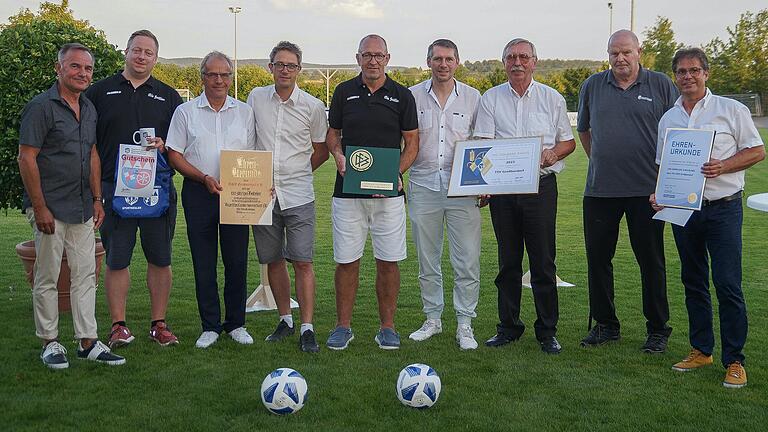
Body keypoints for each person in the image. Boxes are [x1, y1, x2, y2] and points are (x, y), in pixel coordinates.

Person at [651, 48, 764, 388]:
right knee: (693, 281)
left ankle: (735, 360)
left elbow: (757, 150)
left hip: (723, 207)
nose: (688, 76)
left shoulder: (731, 109)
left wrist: (723, 166)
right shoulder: (669, 119)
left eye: (694, 70)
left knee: (728, 284)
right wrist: (660, 194)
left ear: (706, 73)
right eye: (682, 71)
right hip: (684, 210)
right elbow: (663, 166)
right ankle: (702, 349)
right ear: (675, 76)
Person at [18, 43, 125, 368]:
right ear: (59, 69)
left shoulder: (88, 108)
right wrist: (40, 208)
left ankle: (88, 341)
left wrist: (96, 198)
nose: (82, 73)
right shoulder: (41, 108)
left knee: (84, 274)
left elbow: (92, 154)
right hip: (50, 207)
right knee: (48, 276)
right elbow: (27, 157)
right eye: (75, 67)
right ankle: (50, 342)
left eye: (87, 69)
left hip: (81, 207)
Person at [577, 29, 678, 352]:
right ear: (607, 55)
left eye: (626, 52)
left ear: (639, 52)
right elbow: (585, 131)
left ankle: (658, 329)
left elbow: (677, 130)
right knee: (598, 260)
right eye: (613, 53)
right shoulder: (593, 85)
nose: (620, 58)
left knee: (651, 261)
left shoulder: (660, 83)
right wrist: (603, 162)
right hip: (600, 191)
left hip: (647, 192)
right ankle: (606, 325)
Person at [474, 38, 575, 354]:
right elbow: (482, 144)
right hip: (503, 192)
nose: (517, 62)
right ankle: (508, 327)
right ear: (503, 62)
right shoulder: (490, 99)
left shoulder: (552, 98)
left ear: (534, 61)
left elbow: (568, 143)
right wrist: (483, 184)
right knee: (508, 261)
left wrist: (552, 153)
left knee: (543, 261)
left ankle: (547, 331)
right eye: (511, 57)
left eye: (523, 57)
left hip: (540, 189)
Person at [86, 30, 184, 348]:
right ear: (126, 52)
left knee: (160, 259)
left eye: (149, 53)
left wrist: (164, 146)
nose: (142, 57)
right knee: (117, 260)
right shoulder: (99, 92)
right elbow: (91, 147)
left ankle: (159, 324)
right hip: (115, 192)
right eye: (137, 50)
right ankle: (118, 326)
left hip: (157, 192)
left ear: (156, 58)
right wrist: (96, 194)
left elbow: (182, 147)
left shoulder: (170, 97)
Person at [325, 34, 419, 350]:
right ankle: (343, 327)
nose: (373, 60)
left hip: (388, 196)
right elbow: (332, 135)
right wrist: (337, 155)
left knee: (388, 261)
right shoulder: (343, 92)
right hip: (347, 194)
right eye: (367, 55)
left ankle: (388, 327)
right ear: (358, 58)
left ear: (387, 58)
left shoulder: (403, 96)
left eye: (378, 55)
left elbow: (412, 143)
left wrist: (396, 173)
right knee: (347, 261)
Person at [166, 52, 256, 349]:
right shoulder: (185, 112)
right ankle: (210, 326)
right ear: (202, 76)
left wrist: (260, 183)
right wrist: (203, 177)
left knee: (237, 261)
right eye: (212, 74)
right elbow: (174, 154)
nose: (219, 80)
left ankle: (236, 324)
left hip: (237, 194)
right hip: (198, 192)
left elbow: (255, 156)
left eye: (225, 74)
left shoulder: (245, 112)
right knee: (203, 261)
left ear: (231, 77)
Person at [246, 41, 329, 353]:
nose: (284, 70)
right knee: (273, 260)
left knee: (303, 261)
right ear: (270, 67)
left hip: (299, 194)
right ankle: (285, 319)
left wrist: (299, 172)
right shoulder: (255, 98)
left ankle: (307, 326)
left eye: (291, 65)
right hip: (262, 195)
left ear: (299, 69)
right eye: (279, 64)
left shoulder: (312, 106)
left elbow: (320, 149)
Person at [407, 39, 482, 350]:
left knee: (466, 260)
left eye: (449, 59)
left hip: (462, 190)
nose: (443, 64)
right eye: (437, 58)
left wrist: (482, 186)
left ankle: (465, 323)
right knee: (428, 260)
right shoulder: (411, 97)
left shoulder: (474, 98)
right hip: (423, 185)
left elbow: (482, 142)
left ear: (458, 62)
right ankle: (433, 318)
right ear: (428, 62)